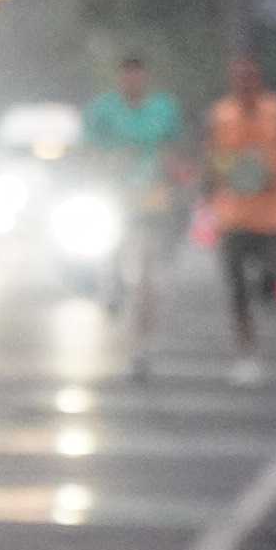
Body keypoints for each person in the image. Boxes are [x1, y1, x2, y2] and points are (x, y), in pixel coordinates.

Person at [83, 54, 185, 379]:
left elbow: (173, 152)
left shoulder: (163, 110)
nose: (132, 82)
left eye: (137, 76)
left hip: (151, 201)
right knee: (111, 255)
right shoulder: (102, 111)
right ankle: (110, 284)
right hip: (114, 199)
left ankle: (142, 346)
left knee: (146, 277)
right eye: (127, 77)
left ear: (145, 78)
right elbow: (89, 152)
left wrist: (176, 179)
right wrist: (106, 165)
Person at [204, 53, 276, 382]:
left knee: (274, 274)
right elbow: (211, 156)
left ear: (259, 79)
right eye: (239, 78)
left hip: (273, 214)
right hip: (232, 215)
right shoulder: (220, 114)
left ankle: (271, 288)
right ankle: (246, 351)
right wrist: (211, 186)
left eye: (250, 77)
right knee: (236, 288)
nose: (244, 84)